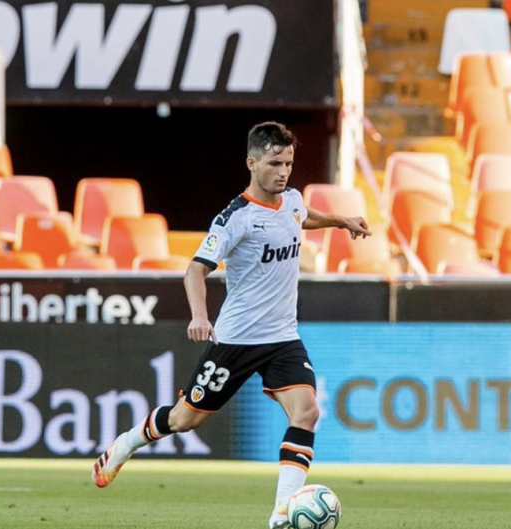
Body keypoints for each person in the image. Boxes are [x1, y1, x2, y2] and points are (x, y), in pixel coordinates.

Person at [92, 121, 371, 529]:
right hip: (236, 340)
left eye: (289, 163)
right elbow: (194, 271)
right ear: (252, 163)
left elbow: (301, 216)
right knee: (187, 419)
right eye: (275, 163)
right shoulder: (234, 218)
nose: (284, 171)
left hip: (282, 338)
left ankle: (280, 514)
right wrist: (201, 316)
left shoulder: (291, 199)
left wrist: (340, 220)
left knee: (307, 411)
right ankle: (126, 444)